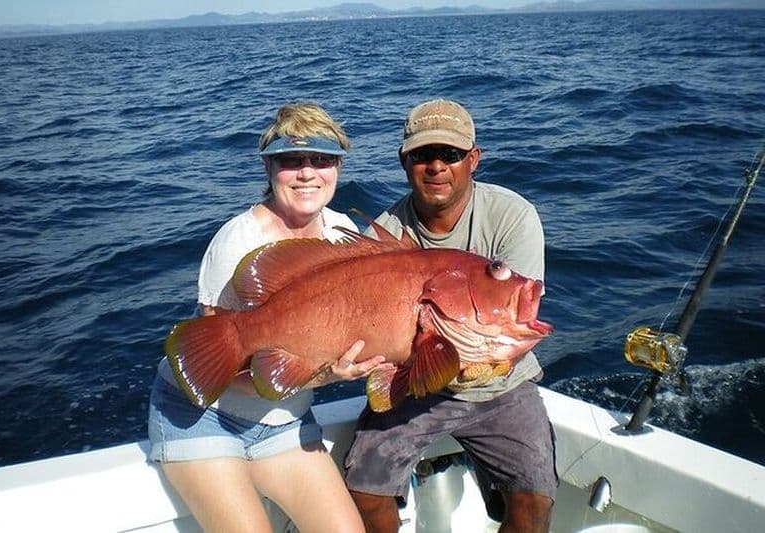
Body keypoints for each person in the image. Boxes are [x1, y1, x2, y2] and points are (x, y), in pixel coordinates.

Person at [147, 102, 387, 532]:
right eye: (291, 160)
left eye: (322, 159)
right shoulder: (237, 242)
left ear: (339, 167)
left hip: (284, 422)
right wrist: (329, 376)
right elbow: (217, 369)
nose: (308, 173)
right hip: (203, 416)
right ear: (269, 167)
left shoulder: (344, 237)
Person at [343, 99, 558, 533]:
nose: (437, 166)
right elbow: (374, 353)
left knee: (534, 500)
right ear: (405, 162)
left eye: (451, 155)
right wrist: (347, 365)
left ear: (473, 159)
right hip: (416, 388)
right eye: (423, 155)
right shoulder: (384, 236)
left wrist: (476, 357)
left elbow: (508, 340)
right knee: (365, 491)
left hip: (503, 385)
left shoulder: (512, 216)